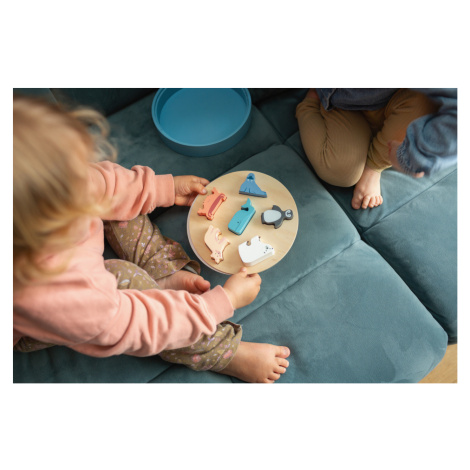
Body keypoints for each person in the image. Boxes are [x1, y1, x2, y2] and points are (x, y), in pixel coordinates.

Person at [13, 95, 290, 383]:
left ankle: (162, 272)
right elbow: (144, 326)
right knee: (122, 275)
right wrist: (222, 302)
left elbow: (102, 185)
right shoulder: (57, 296)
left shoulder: (47, 177)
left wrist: (161, 189)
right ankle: (221, 351)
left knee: (121, 205)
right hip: (48, 313)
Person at [295, 88, 457, 210]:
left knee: (427, 103)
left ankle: (373, 166)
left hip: (402, 98)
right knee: (342, 172)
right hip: (344, 102)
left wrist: (410, 157)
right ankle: (310, 102)